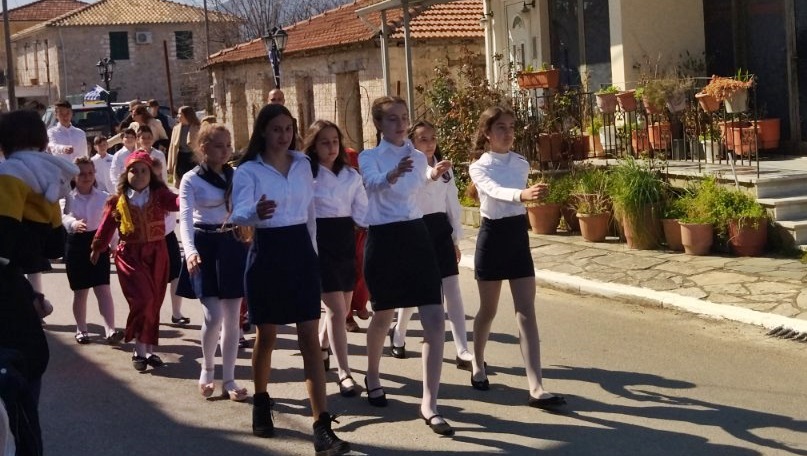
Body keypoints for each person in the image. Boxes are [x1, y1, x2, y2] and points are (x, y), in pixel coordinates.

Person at [231, 104, 349, 455]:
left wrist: (313, 253)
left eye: (288, 128)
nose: (283, 135)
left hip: (301, 252)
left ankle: (321, 426)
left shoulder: (302, 164)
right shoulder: (249, 170)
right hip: (267, 253)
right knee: (266, 336)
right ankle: (261, 401)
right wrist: (254, 213)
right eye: (276, 129)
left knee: (309, 338)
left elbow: (310, 213)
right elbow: (238, 213)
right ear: (263, 132)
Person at [359, 96, 455, 436]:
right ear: (379, 124)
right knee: (383, 316)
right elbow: (372, 184)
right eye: (392, 119)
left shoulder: (416, 155)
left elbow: (419, 180)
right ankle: (372, 375)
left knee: (434, 319)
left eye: (403, 117)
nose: (400, 124)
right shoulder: (369, 157)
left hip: (417, 235)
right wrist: (392, 174)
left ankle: (430, 403)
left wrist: (432, 173)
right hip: (384, 239)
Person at [467, 105, 566, 410]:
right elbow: (493, 190)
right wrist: (521, 195)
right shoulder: (478, 167)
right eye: (501, 128)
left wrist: (526, 195)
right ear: (487, 133)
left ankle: (536, 386)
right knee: (488, 310)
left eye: (511, 127)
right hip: (492, 238)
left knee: (526, 311)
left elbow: (513, 193)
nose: (508, 133)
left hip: (516, 237)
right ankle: (477, 362)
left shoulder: (521, 163)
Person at [390, 120, 473, 369]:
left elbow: (452, 204)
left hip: (440, 230)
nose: (429, 144)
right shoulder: (408, 167)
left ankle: (463, 350)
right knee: (417, 290)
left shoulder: (445, 168)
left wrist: (455, 239)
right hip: (417, 229)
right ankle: (398, 333)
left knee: (452, 289)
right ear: (412, 142)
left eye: (433, 138)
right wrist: (431, 174)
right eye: (423, 139)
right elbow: (414, 189)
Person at [177, 123, 249, 401]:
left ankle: (229, 378)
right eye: (219, 145)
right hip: (204, 244)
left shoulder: (236, 175)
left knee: (233, 318)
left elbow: (246, 208)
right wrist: (190, 251)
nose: (225, 151)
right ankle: (207, 369)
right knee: (213, 315)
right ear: (203, 148)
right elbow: (185, 218)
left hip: (232, 243)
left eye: (228, 145)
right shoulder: (191, 179)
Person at [90, 151, 179, 371]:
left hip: (157, 253)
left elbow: (178, 202)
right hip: (130, 255)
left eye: (143, 171)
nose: (138, 175)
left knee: (154, 302)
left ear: (151, 174)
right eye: (133, 170)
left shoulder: (159, 195)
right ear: (126, 173)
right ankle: (139, 348)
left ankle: (148, 350)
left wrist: (192, 193)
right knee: (143, 299)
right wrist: (97, 247)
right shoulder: (117, 201)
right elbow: (106, 227)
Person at [303, 120, 368, 397]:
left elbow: (362, 211)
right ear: (313, 146)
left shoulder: (350, 175)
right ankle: (345, 373)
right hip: (319, 243)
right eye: (324, 142)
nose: (331, 147)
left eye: (335, 142)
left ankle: (322, 345)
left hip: (345, 241)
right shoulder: (305, 174)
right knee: (337, 312)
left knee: (343, 306)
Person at [0, 109, 76, 313]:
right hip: (36, 249)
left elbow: (6, 223)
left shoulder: (10, 171)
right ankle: (37, 302)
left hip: (10, 261)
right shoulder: (49, 172)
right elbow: (55, 244)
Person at [62, 157, 123, 345]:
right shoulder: (68, 196)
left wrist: (114, 244)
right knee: (80, 291)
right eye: (82, 174)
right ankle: (81, 329)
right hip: (76, 244)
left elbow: (110, 223)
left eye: (90, 173)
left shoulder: (104, 197)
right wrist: (73, 223)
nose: (87, 177)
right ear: (74, 176)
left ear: (95, 174)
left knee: (103, 288)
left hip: (98, 242)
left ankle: (110, 330)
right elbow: (62, 216)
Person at [150, 159, 186, 326]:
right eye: (154, 175)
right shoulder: (143, 195)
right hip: (151, 241)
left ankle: (176, 313)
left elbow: (178, 203)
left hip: (169, 237)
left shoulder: (166, 192)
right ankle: (152, 313)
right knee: (154, 280)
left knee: (176, 275)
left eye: (160, 174)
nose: (158, 178)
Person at [167, 106, 201, 187]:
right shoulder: (176, 128)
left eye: (180, 114)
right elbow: (172, 147)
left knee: (195, 180)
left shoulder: (198, 127)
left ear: (187, 115)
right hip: (180, 158)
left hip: (193, 158)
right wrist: (170, 164)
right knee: (182, 180)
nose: (178, 116)